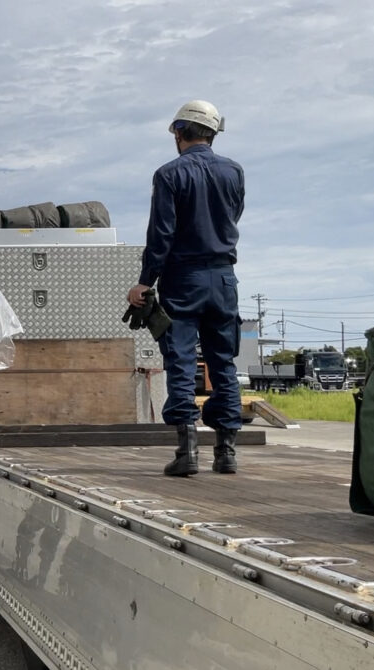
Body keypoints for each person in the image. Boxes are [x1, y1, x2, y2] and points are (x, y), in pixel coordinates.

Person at [127, 100, 245, 477]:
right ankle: (226, 452)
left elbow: (161, 234)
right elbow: (233, 214)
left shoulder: (168, 175)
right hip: (224, 278)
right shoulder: (234, 171)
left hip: (183, 278)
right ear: (213, 132)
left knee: (179, 360)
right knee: (222, 361)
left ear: (179, 131)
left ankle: (187, 452)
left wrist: (145, 282)